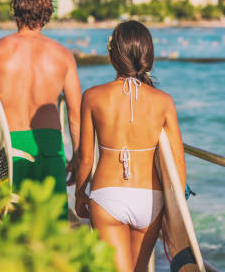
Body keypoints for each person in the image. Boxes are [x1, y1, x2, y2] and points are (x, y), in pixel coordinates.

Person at [75, 21, 187, 272]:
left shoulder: (92, 96)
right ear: (148, 55)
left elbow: (85, 157)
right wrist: (176, 212)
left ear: (113, 54)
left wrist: (80, 193)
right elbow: (179, 161)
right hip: (150, 199)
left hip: (107, 198)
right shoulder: (164, 101)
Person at [0, 0, 81, 218]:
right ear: (47, 15)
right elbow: (75, 114)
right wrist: (78, 157)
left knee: (5, 224)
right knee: (49, 230)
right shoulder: (63, 56)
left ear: (16, 12)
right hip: (48, 148)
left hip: (8, 147)